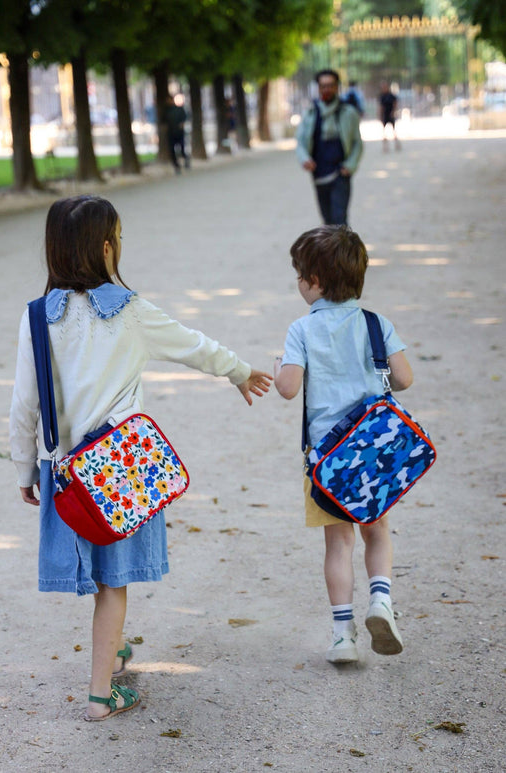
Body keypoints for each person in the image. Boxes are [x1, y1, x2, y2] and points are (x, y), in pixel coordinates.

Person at [9, 195, 272, 720]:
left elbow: (24, 403)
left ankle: (112, 652)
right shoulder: (129, 311)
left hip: (66, 475)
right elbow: (193, 345)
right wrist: (239, 370)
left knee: (98, 573)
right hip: (122, 471)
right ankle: (101, 695)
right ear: (108, 248)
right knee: (114, 584)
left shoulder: (38, 317)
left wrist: (23, 465)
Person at [274, 225, 413, 664]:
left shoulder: (302, 329)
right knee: (377, 532)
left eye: (300, 275)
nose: (298, 283)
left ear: (314, 282)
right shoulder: (376, 324)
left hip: (328, 462)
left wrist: (280, 366)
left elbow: (288, 388)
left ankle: (342, 636)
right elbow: (405, 378)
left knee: (338, 545)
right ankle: (382, 601)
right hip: (374, 454)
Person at [296, 69, 363, 227]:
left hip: (340, 173)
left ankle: (344, 252)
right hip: (319, 173)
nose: (327, 89)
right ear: (318, 88)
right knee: (327, 221)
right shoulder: (310, 113)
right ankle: (331, 252)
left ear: (337, 87)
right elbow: (300, 141)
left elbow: (357, 143)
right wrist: (305, 159)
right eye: (323, 86)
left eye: (330, 85)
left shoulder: (349, 113)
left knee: (340, 220)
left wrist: (350, 165)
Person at [164, 94, 189, 174]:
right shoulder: (166, 111)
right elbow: (164, 122)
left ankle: (186, 159)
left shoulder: (179, 109)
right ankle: (176, 166)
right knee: (172, 151)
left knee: (181, 148)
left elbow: (184, 118)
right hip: (171, 133)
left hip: (179, 132)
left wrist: (181, 125)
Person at [379, 81, 401, 151]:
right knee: (384, 132)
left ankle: (397, 145)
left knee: (394, 130)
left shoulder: (391, 96)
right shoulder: (382, 97)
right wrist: (380, 115)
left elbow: (395, 104)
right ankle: (385, 147)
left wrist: (393, 112)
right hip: (385, 115)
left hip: (390, 114)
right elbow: (381, 107)